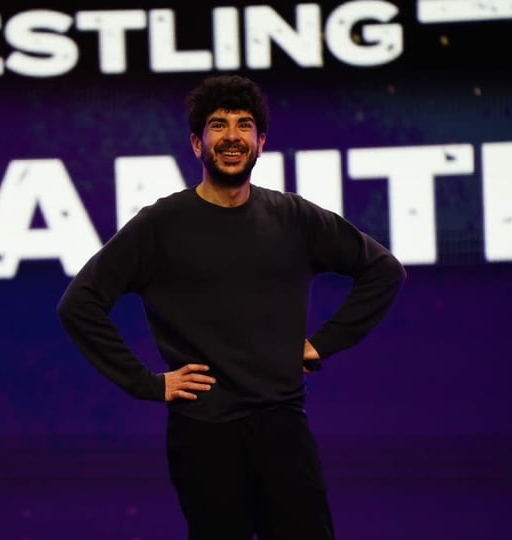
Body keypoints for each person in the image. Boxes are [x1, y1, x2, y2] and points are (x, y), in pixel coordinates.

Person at [57, 74, 406, 540]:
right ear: (197, 143)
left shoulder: (292, 217)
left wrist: (323, 343)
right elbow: (80, 304)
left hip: (283, 426)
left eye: (244, 126)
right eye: (217, 125)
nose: (232, 136)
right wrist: (147, 383)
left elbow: (383, 270)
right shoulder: (160, 225)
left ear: (261, 142)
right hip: (204, 434)